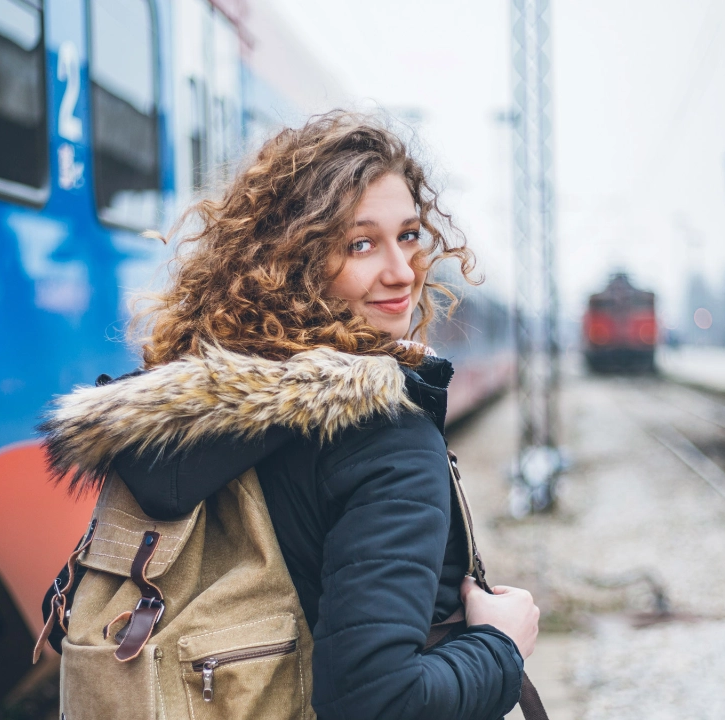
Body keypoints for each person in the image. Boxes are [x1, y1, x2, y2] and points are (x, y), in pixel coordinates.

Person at [42, 112, 539, 719]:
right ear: (298, 261)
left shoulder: (188, 421)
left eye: (409, 235)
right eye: (361, 244)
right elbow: (376, 702)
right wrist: (500, 645)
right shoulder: (387, 442)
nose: (402, 270)